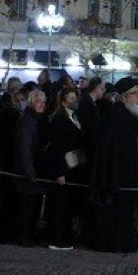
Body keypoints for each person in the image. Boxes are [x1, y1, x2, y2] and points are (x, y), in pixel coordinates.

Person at [88, 84, 138, 253]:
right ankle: (124, 240)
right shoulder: (115, 116)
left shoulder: (135, 116)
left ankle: (137, 238)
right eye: (134, 94)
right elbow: (107, 150)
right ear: (124, 97)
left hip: (136, 174)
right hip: (120, 176)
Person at [42, 87, 85, 250]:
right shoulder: (60, 119)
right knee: (59, 205)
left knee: (67, 205)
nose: (74, 101)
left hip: (73, 167)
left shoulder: (74, 117)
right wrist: (59, 172)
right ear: (64, 101)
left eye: (75, 98)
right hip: (63, 168)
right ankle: (56, 238)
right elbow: (57, 148)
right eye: (71, 98)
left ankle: (65, 236)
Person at [12, 87, 47, 246]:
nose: (42, 105)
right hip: (27, 173)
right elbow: (24, 148)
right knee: (26, 208)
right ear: (32, 102)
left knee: (33, 207)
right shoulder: (28, 121)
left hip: (35, 171)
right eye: (38, 101)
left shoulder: (36, 120)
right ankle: (23, 235)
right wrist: (30, 172)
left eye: (43, 102)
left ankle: (29, 234)